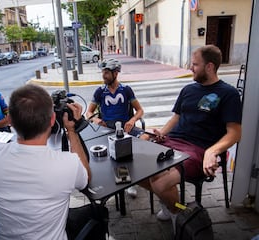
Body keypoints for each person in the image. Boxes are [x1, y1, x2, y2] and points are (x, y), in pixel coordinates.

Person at [140, 45, 242, 230]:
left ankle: (178, 212)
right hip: (173, 141)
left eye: (195, 64)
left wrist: (213, 151)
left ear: (209, 67)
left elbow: (235, 132)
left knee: (160, 181)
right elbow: (176, 117)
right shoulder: (188, 90)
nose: (190, 68)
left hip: (198, 149)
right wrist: (162, 133)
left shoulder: (228, 94)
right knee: (134, 168)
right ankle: (173, 206)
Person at [0, 84, 91, 239]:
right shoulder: (66, 164)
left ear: (11, 122)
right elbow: (85, 179)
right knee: (95, 213)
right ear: (52, 119)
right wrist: (71, 131)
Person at [86, 58, 146, 198]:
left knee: (145, 138)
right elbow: (89, 112)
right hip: (106, 129)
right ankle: (125, 181)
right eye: (103, 72)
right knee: (117, 151)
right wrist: (95, 118)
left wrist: (132, 120)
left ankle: (135, 177)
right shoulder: (100, 91)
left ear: (116, 73)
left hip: (126, 127)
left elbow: (140, 111)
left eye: (107, 72)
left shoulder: (126, 90)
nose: (103, 75)